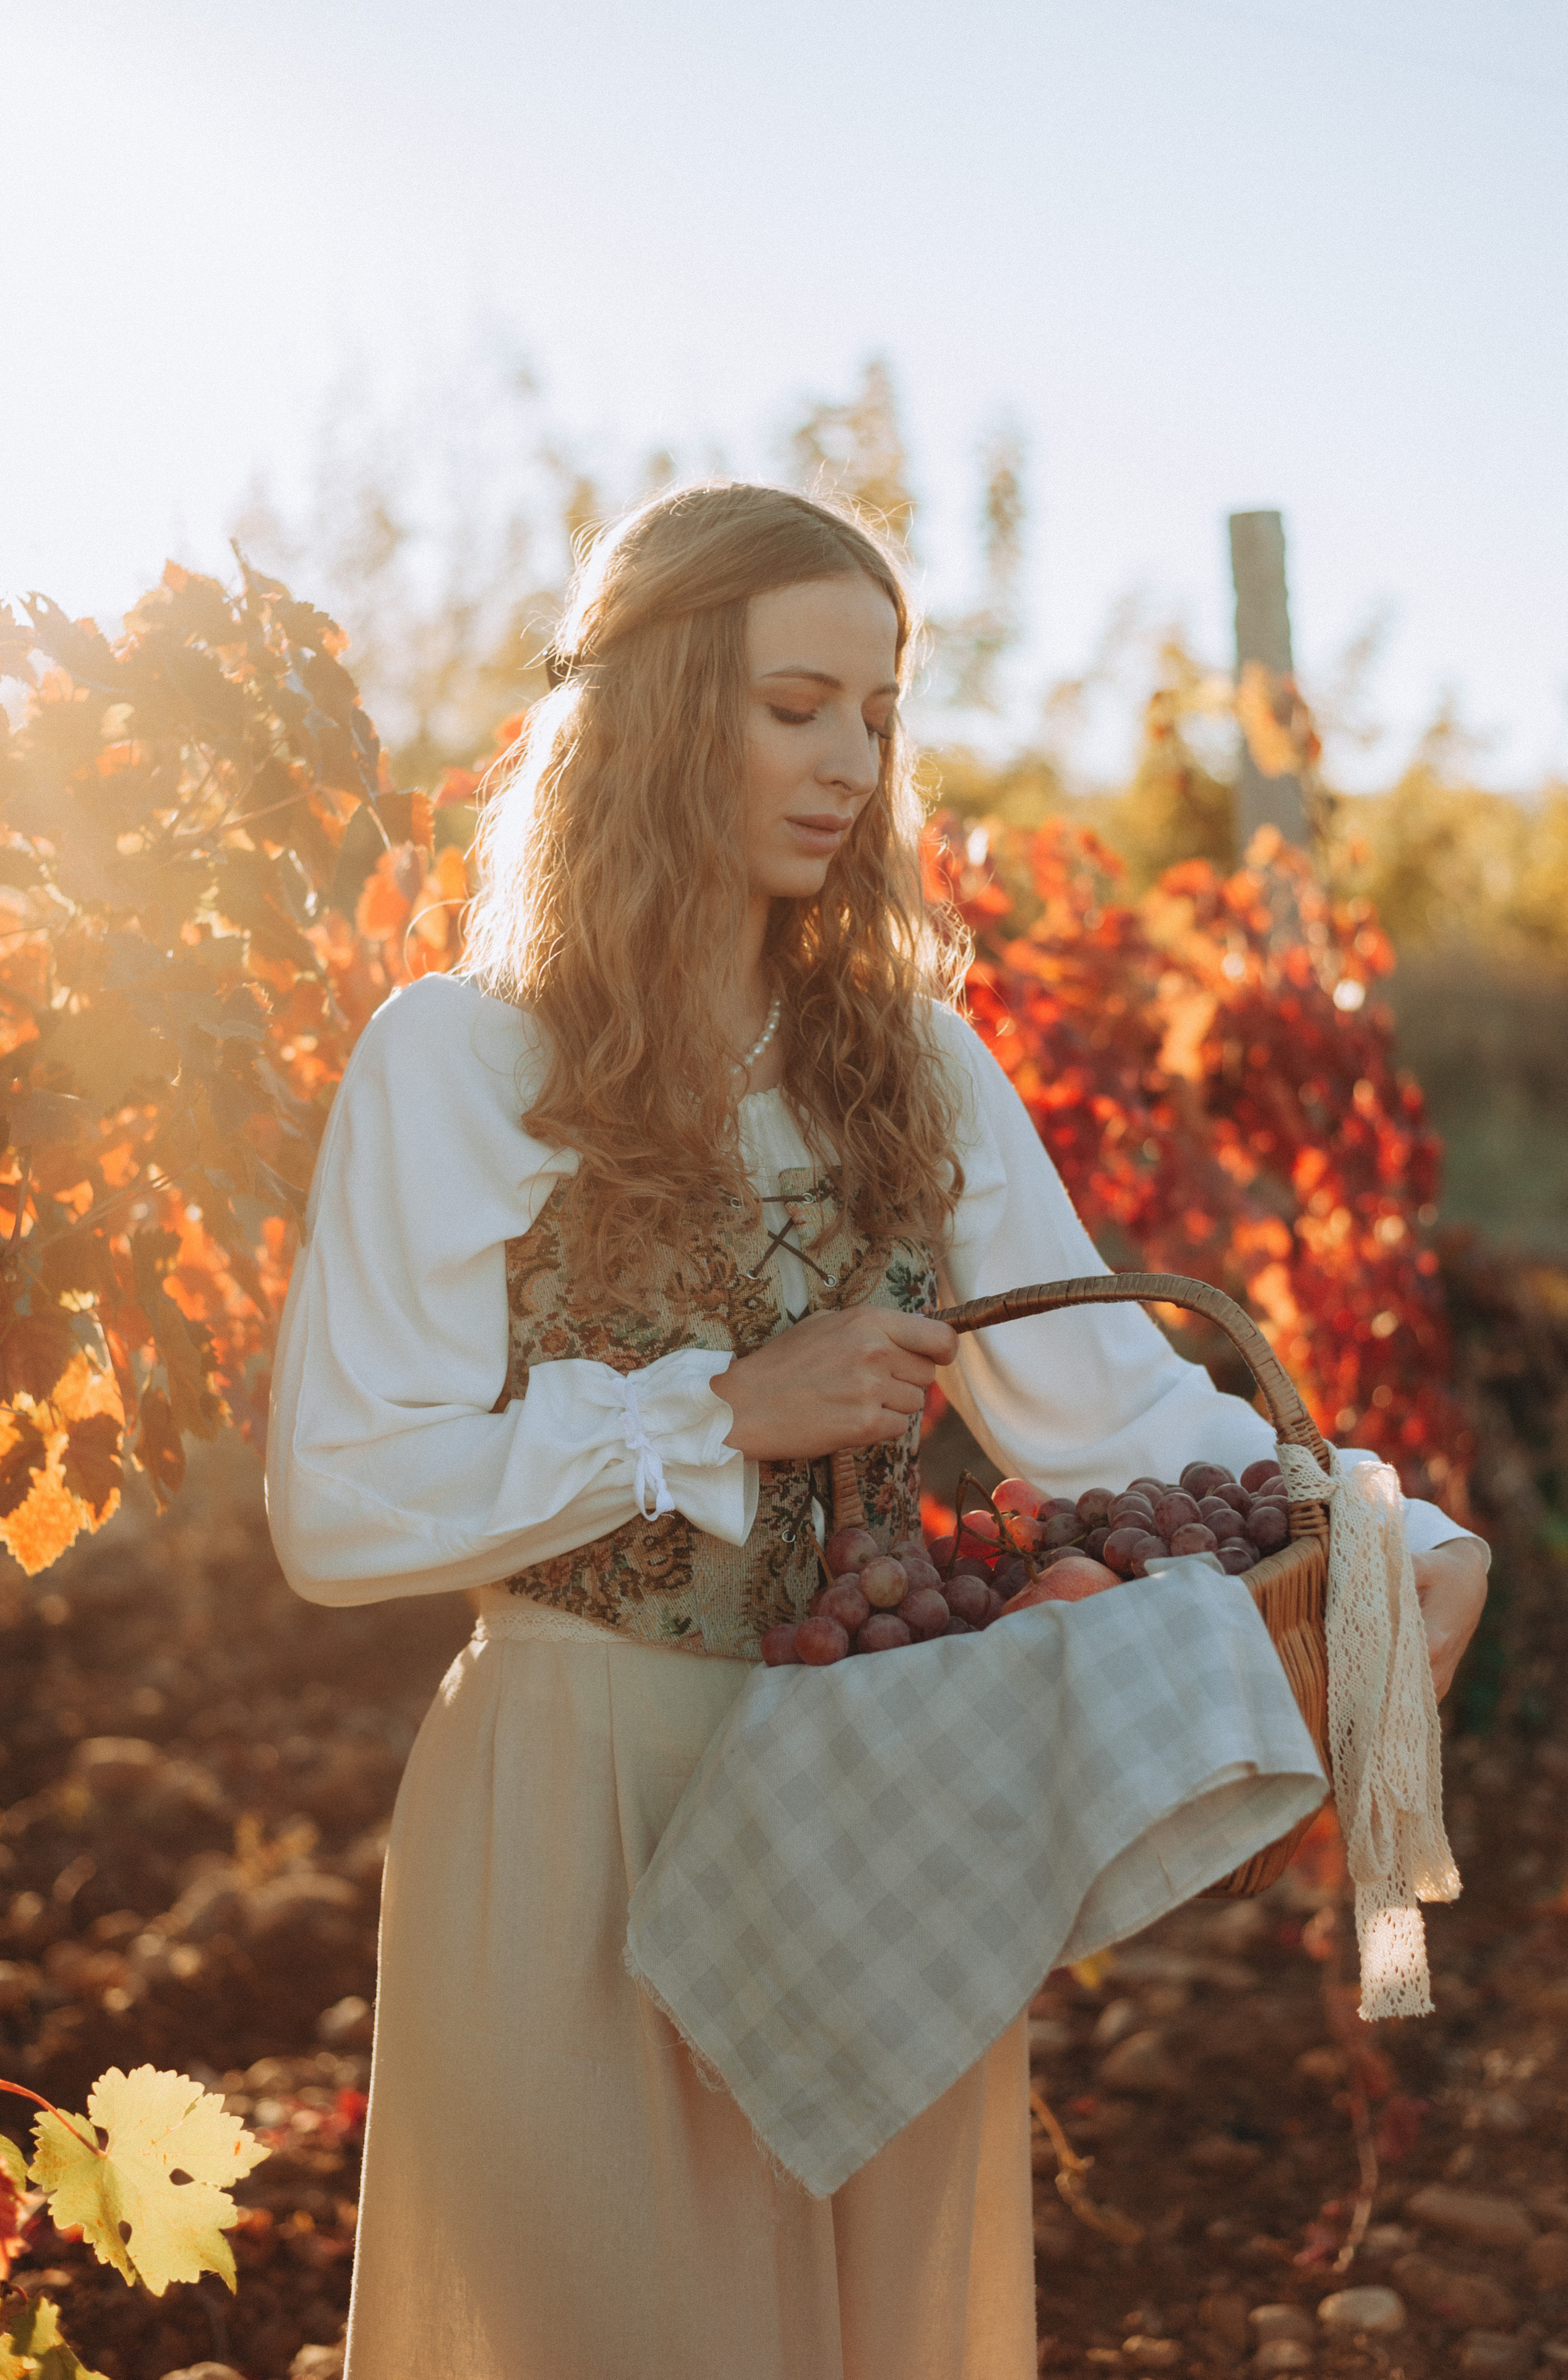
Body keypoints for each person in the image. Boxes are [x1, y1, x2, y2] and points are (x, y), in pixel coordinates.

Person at [267, 481, 1488, 2380]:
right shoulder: (465, 1057)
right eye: (796, 706)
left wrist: (1381, 1530)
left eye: (881, 712)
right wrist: (718, 1412)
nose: (852, 761)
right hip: (573, 1800)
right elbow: (343, 1501)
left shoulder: (916, 1061)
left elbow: (1111, 1408)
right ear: (658, 713)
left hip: (883, 1811)